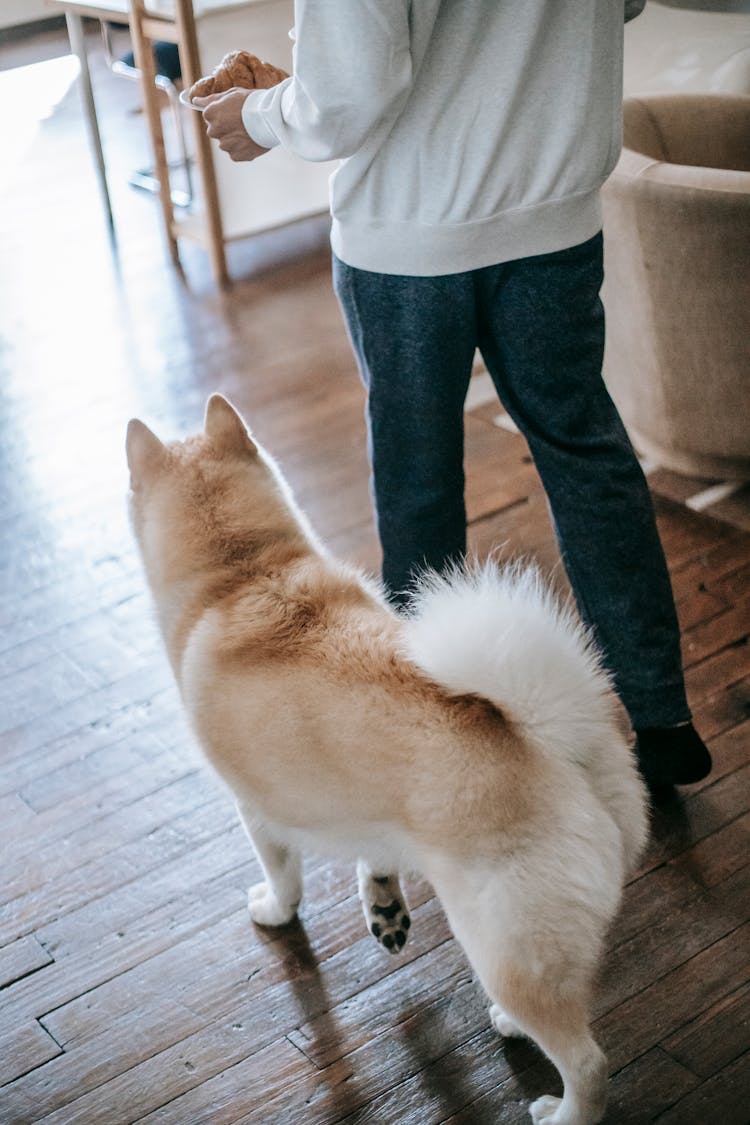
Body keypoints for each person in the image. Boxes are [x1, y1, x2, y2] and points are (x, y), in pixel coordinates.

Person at [194, 0, 712, 799]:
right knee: (588, 459)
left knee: (418, 485)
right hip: (553, 214)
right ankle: (661, 718)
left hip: (407, 236)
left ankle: (434, 732)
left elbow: (349, 94)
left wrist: (260, 115)